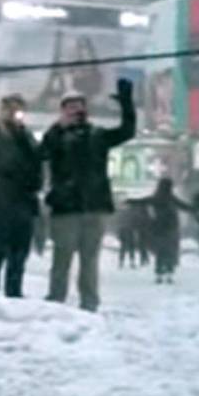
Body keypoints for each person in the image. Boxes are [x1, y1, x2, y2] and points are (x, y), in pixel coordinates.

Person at [43, 81, 136, 312]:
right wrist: (58, 129)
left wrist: (126, 103)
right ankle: (56, 300)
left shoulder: (98, 135)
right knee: (62, 257)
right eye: (70, 106)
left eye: (79, 106)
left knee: (90, 259)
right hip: (65, 208)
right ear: (63, 110)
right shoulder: (56, 136)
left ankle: (89, 301)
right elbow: (41, 154)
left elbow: (127, 131)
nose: (75, 110)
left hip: (94, 207)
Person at [0, 94, 42, 297]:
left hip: (23, 202)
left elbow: (36, 165)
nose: (14, 114)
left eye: (18, 109)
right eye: (9, 109)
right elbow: (1, 161)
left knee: (19, 254)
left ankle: (14, 293)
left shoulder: (26, 136)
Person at [147, 178, 194, 283]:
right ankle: (169, 273)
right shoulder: (171, 198)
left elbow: (145, 203)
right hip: (170, 228)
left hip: (159, 228)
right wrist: (194, 209)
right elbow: (183, 206)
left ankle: (159, 274)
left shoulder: (156, 197)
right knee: (169, 252)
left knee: (161, 252)